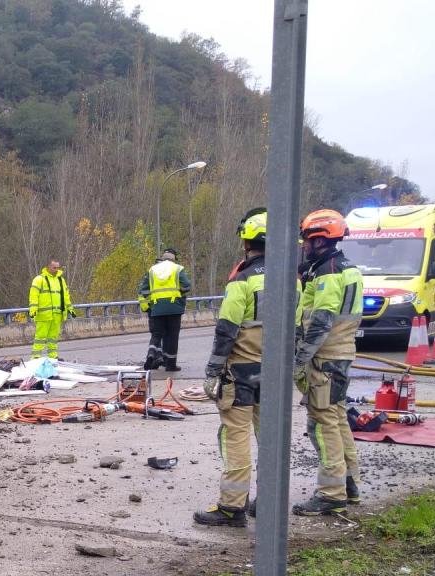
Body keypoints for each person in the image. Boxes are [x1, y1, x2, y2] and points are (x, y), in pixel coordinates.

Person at [194, 208, 274, 527]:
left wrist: (213, 372)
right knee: (270, 436)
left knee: (236, 436)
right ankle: (268, 500)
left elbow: (226, 329)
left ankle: (232, 506)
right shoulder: (291, 281)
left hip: (241, 373)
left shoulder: (242, 280)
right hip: (275, 373)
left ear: (246, 243)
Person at [292, 209, 364, 516]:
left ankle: (331, 493)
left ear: (320, 240)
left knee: (321, 423)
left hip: (326, 357)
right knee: (336, 418)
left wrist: (299, 361)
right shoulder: (347, 268)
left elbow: (321, 322)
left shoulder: (328, 272)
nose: (304, 246)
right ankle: (349, 483)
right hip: (341, 354)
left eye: (307, 240)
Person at [138, 248, 191, 371]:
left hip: (157, 308)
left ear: (163, 258)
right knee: (172, 336)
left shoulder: (152, 270)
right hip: (174, 308)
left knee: (157, 334)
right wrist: (179, 292)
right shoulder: (177, 268)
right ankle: (170, 364)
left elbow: (143, 290)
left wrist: (153, 299)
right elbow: (187, 286)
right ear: (174, 259)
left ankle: (151, 354)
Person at [28, 259, 74, 359]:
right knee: (40, 337)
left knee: (53, 338)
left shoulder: (61, 280)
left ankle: (53, 357)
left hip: (57, 314)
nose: (56, 270)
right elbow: (34, 295)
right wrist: (33, 309)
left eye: (58, 267)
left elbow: (65, 296)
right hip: (44, 314)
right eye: (54, 267)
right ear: (48, 267)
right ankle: (35, 358)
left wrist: (70, 308)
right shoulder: (39, 279)